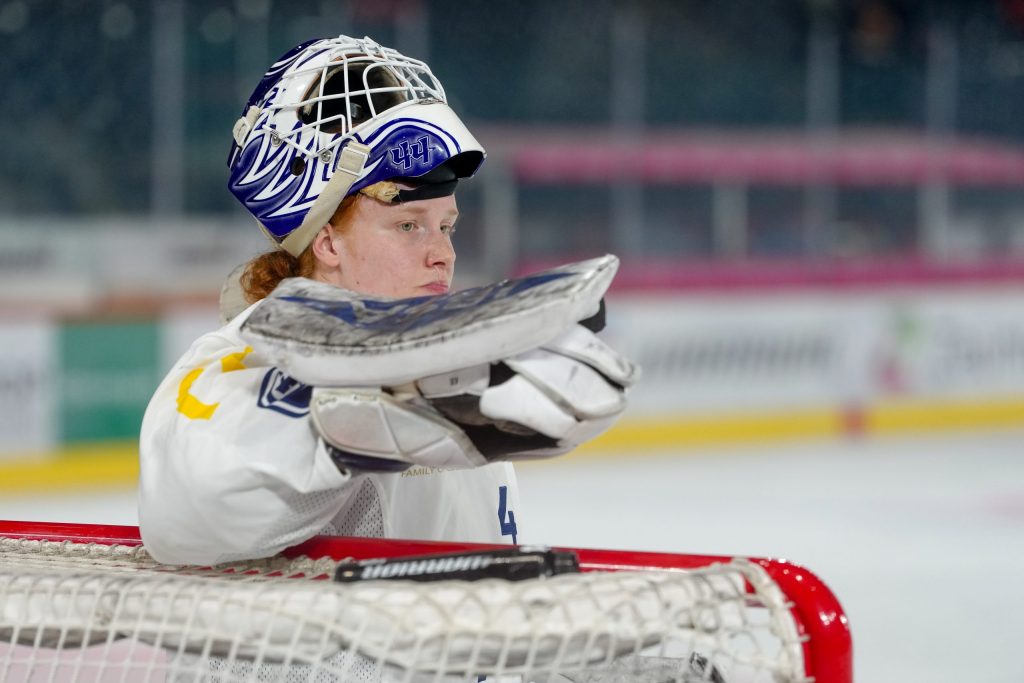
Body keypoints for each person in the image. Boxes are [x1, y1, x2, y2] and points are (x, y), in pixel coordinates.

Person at [137, 35, 634, 568]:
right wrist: (361, 416)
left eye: (446, 226)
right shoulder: (250, 355)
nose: (443, 255)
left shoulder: (449, 367)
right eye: (408, 226)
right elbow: (189, 514)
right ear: (327, 242)